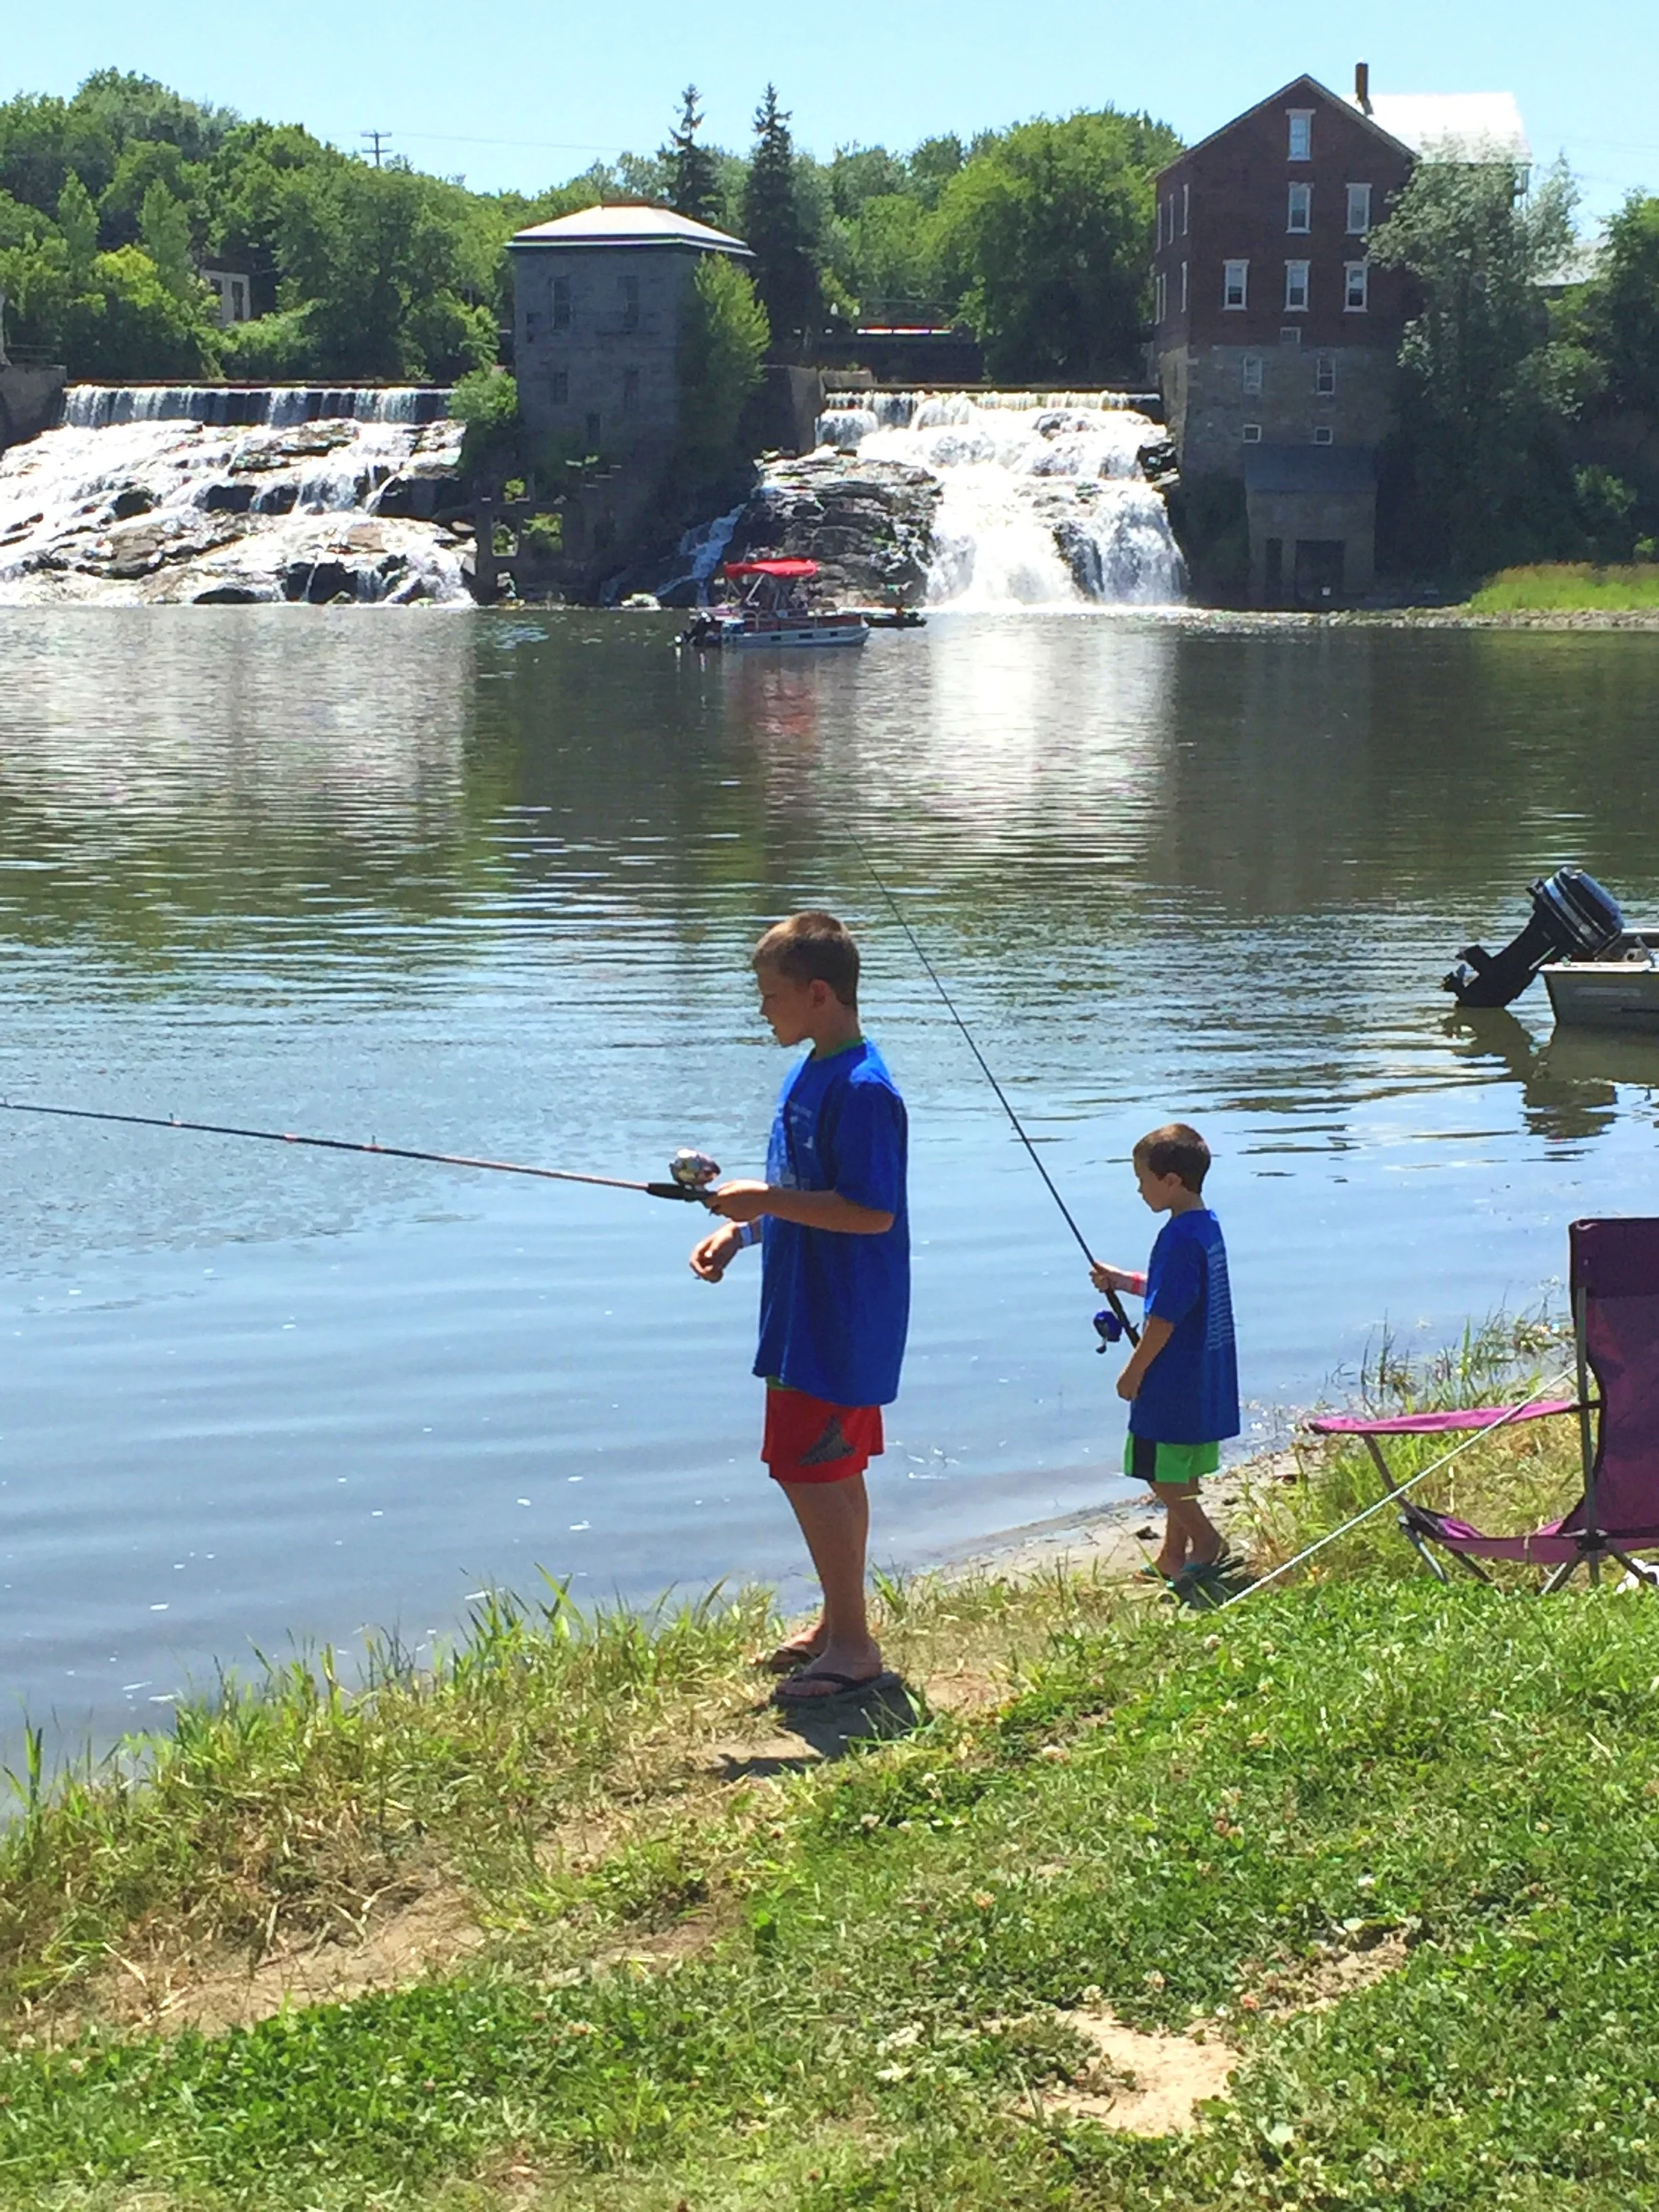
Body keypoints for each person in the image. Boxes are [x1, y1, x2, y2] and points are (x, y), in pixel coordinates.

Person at [690, 912, 909, 1702]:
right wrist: (744, 1232)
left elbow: (870, 1211)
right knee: (829, 1469)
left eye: (772, 995)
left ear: (820, 993)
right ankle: (839, 1620)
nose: (763, 1011)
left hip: (841, 1316)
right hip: (802, 1309)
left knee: (811, 1470)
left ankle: (853, 1649)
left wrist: (768, 1198)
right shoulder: (807, 1070)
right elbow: (805, 1191)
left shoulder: (864, 1088)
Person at [1090, 1122, 1239, 1592]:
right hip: (1206, 1375)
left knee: (1157, 1473)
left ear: (1171, 1180)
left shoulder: (1176, 1240)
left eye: (1142, 1180)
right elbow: (1170, 1293)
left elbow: (1165, 1319)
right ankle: (1174, 1556)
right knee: (1183, 1470)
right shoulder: (1204, 1226)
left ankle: (1207, 1541)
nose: (1139, 1191)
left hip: (1172, 1379)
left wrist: (1133, 1372)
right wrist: (1122, 1280)